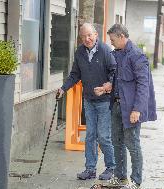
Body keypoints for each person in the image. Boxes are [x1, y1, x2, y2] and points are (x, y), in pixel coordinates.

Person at [94, 24, 157, 189]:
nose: (111, 43)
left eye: (113, 40)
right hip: (115, 106)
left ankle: (136, 181)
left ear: (121, 36)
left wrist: (137, 109)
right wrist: (106, 87)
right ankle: (121, 178)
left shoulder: (137, 56)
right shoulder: (118, 54)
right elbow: (119, 81)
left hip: (131, 110)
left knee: (132, 144)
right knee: (117, 143)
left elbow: (143, 86)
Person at [58, 23, 116, 181]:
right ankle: (90, 169)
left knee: (104, 136)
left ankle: (111, 167)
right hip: (89, 100)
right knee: (90, 136)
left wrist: (107, 87)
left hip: (104, 101)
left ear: (96, 34)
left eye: (89, 35)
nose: (87, 39)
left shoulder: (105, 51)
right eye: (83, 36)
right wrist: (63, 88)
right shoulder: (79, 52)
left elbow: (115, 73)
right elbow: (75, 74)